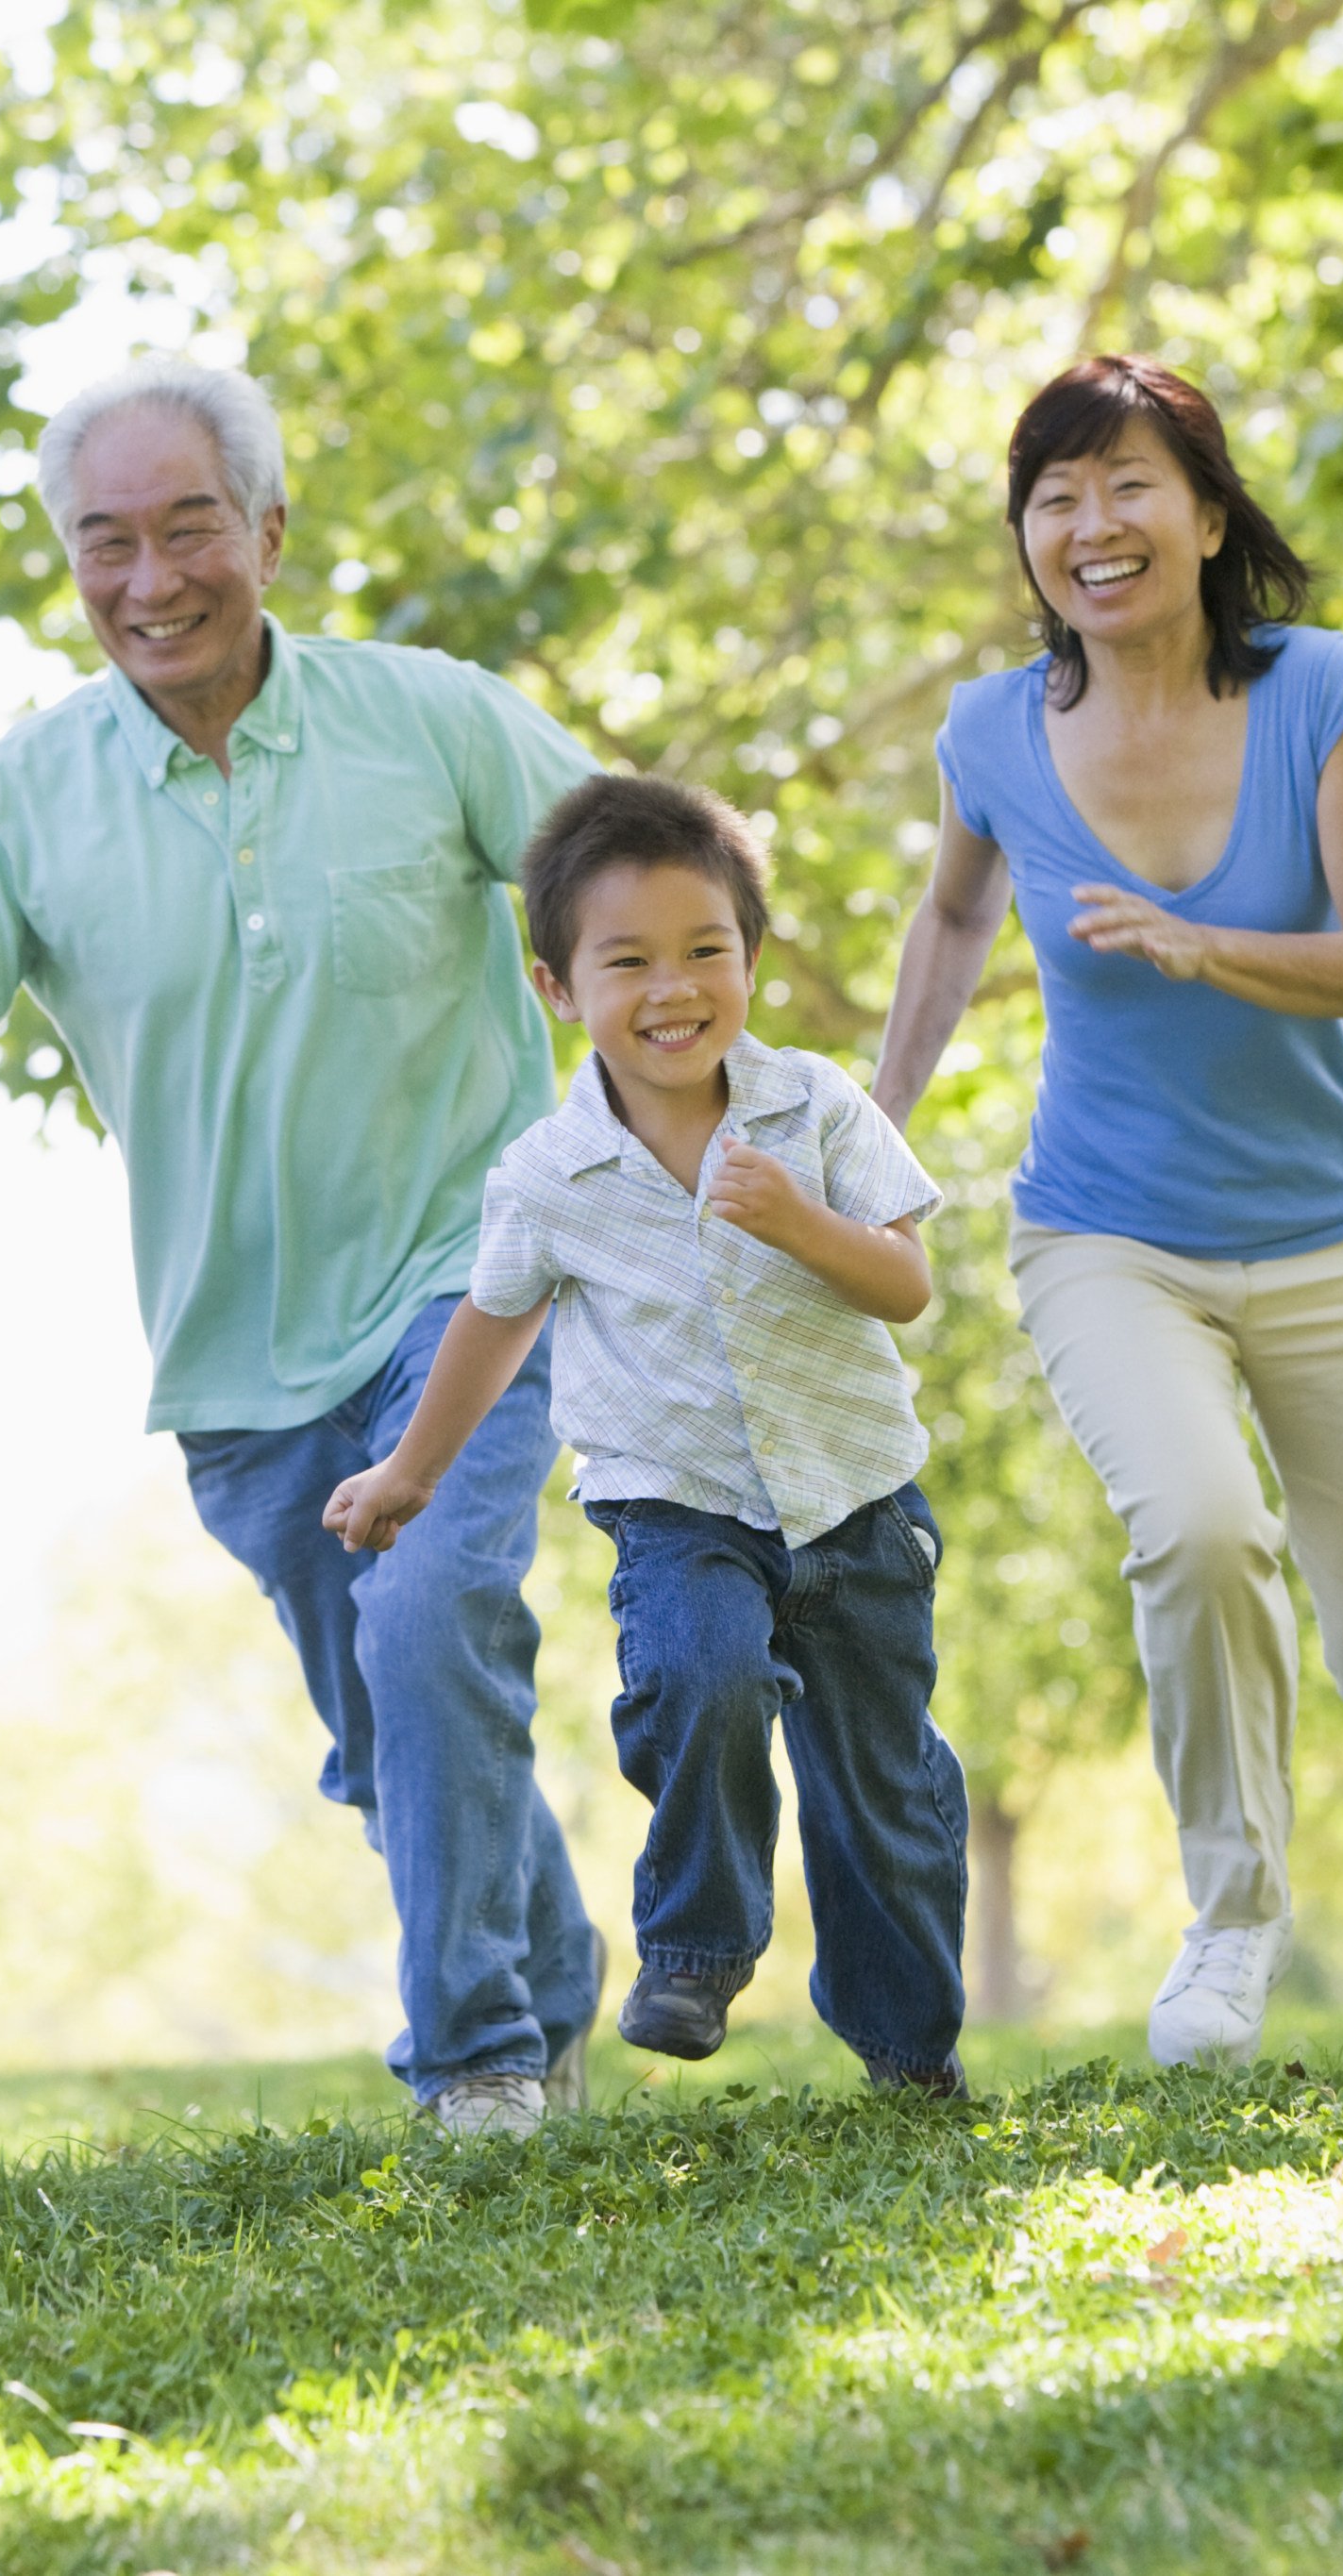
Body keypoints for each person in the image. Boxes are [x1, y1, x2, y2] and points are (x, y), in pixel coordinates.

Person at [0, 357, 606, 2137]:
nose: (150, 579)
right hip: (236, 1353)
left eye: (190, 528)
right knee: (390, 1724)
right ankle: (552, 1973)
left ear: (267, 531)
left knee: (431, 1617)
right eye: (105, 543)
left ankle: (478, 2062)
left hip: (469, 1276)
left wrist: (696, 1145)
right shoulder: (15, 802)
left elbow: (642, 886)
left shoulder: (434, 721)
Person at [869, 354, 1343, 2065]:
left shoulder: (1320, 692)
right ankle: (1233, 1923)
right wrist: (880, 1115)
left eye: (1127, 487)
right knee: (1194, 1527)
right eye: (1054, 499)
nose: (1091, 527)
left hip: (1333, 1235)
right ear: (1029, 538)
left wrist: (1209, 945)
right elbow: (956, 921)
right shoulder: (991, 734)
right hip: (1108, 1232)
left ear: (1206, 509)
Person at [325, 777, 973, 2095]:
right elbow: (493, 1327)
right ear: (559, 987)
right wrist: (410, 1470)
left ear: (749, 955)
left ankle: (909, 2054)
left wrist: (800, 1221)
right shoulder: (545, 1175)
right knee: (701, 1673)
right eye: (628, 961)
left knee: (883, 1800)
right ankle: (693, 1945)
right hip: (677, 1505)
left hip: (855, 1499)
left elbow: (906, 1285)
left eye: (705, 951)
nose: (673, 988)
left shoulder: (817, 1109)